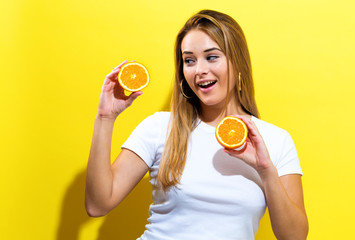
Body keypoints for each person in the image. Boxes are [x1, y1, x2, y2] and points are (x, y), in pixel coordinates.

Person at [85, 9, 309, 240]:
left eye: (212, 57)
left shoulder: (275, 140)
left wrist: (266, 170)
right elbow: (97, 205)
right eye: (189, 60)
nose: (200, 70)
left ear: (238, 62)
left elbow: (294, 237)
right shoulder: (159, 128)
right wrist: (105, 117)